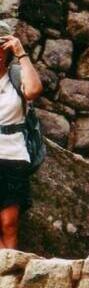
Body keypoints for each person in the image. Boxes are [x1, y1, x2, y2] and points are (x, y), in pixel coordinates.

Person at [0, 21, 42, 249]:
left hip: (14, 156)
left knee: (9, 222)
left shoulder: (16, 76)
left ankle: (10, 278)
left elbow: (34, 90)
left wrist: (21, 54)